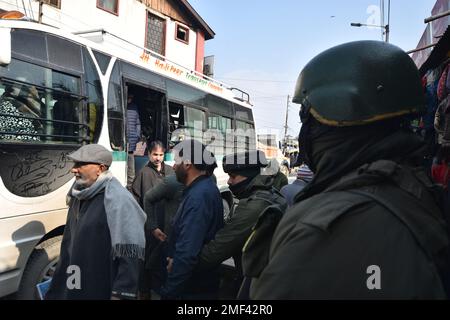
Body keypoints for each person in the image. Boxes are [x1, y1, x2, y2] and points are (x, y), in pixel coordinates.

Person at [251, 40, 450, 299]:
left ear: (339, 110)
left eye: (307, 116)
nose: (305, 132)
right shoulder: (413, 186)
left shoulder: (329, 225)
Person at [45, 144, 146, 300]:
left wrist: (121, 293)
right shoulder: (78, 195)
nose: (74, 169)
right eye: (74, 164)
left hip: (101, 283)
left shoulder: (119, 200)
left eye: (80, 164)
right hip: (77, 274)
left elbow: (130, 253)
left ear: (100, 168)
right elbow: (69, 244)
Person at [196, 150, 287, 299]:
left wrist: (184, 263)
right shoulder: (271, 194)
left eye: (233, 176)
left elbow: (219, 248)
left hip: (257, 284)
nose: (229, 182)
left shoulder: (254, 205)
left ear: (249, 177)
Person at [160, 139, 223, 299]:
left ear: (187, 163)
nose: (173, 167)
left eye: (176, 162)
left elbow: (187, 252)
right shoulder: (203, 188)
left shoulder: (199, 196)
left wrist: (169, 293)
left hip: (192, 288)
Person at [132, 140, 174, 299]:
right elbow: (136, 199)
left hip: (168, 223)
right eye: (155, 154)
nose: (158, 158)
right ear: (148, 154)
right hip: (149, 226)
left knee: (165, 257)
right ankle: (145, 291)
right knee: (147, 259)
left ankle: (162, 289)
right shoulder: (143, 173)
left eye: (161, 154)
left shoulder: (170, 172)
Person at [126, 92, 141, 189]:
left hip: (131, 144)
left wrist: (137, 135)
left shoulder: (134, 108)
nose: (130, 99)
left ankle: (130, 189)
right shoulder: (117, 105)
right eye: (129, 97)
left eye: (131, 97)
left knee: (131, 172)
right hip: (119, 143)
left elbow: (138, 123)